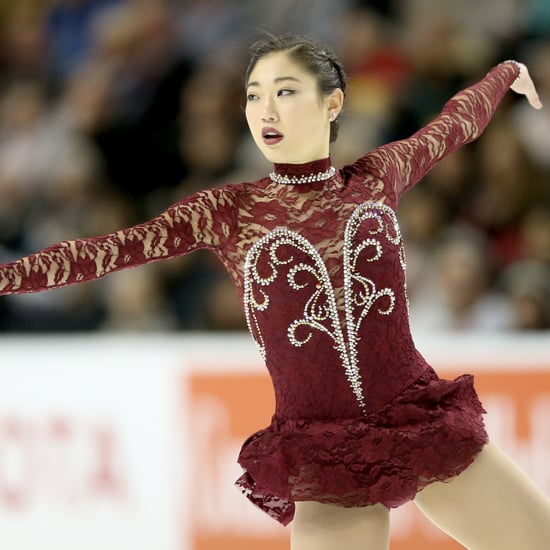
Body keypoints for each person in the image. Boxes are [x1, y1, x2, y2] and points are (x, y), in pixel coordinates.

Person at [0, 33, 549, 549]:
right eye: (254, 95)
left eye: (285, 92)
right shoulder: (228, 214)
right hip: (327, 453)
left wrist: (506, 73)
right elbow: (106, 251)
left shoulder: (377, 177)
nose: (266, 109)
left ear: (332, 105)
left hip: (421, 422)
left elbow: (455, 125)